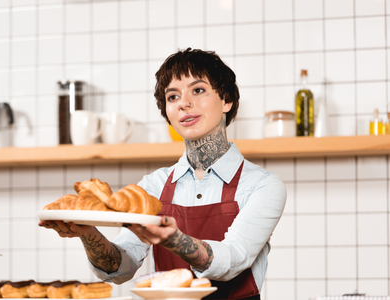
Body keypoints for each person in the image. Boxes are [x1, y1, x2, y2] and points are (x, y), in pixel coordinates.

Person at [39, 48, 286, 300]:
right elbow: (120, 268)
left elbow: (233, 258)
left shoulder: (261, 185)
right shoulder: (153, 187)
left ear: (226, 100)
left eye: (198, 90)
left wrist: (175, 240)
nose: (184, 103)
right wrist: (88, 233)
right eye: (172, 96)